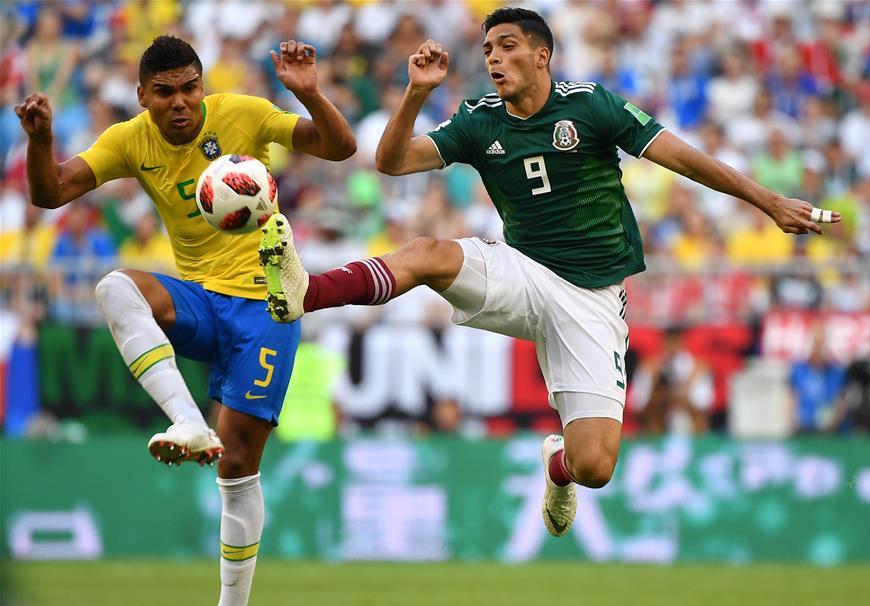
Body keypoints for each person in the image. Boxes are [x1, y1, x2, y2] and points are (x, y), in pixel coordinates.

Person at [257, 7, 839, 540]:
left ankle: (557, 466)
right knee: (427, 252)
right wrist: (416, 92)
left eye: (507, 46)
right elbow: (391, 162)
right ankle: (308, 290)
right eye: (487, 50)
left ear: (542, 55)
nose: (493, 59)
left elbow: (684, 157)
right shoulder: (479, 120)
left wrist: (769, 202)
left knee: (595, 466)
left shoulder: (591, 106)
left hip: (592, 297)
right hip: (524, 272)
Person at [16, 35, 355, 606]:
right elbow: (51, 192)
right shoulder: (130, 140)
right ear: (143, 96)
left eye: (189, 88)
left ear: (203, 85)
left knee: (238, 462)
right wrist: (41, 139)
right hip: (200, 301)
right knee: (115, 286)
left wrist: (310, 92)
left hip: (266, 302)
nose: (180, 103)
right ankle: (186, 421)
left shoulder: (244, 113)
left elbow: (338, 147)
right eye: (165, 92)